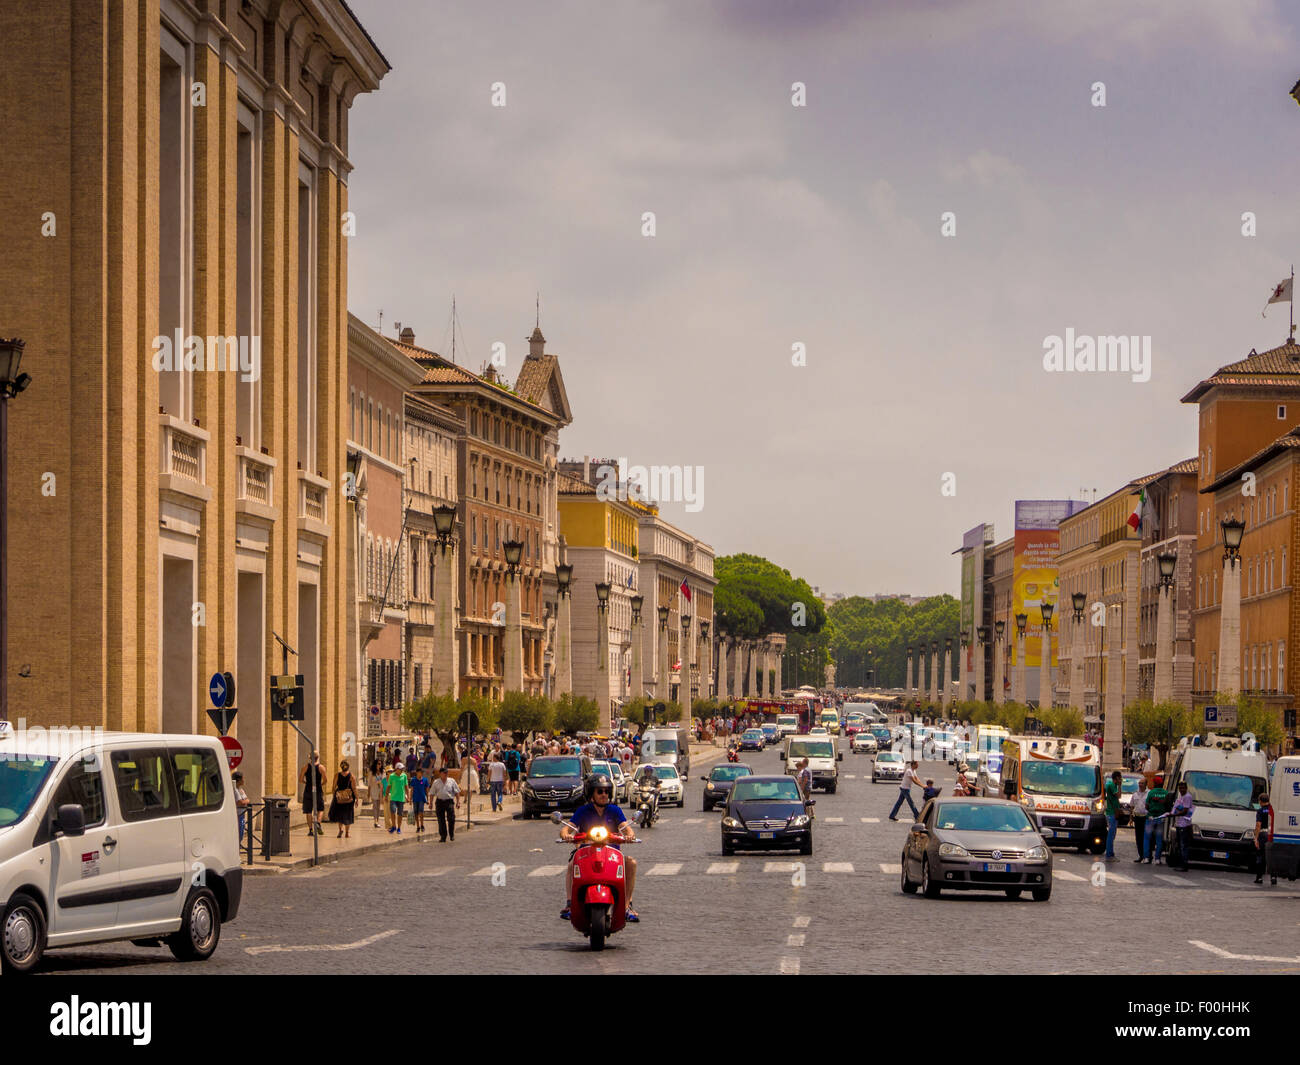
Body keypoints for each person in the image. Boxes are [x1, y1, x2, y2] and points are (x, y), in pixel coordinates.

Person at [560, 774, 639, 923]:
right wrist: (566, 835)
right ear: (591, 794)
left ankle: (627, 905)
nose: (604, 795)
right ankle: (570, 904)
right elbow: (566, 829)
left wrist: (629, 835)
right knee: (571, 865)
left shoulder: (615, 810)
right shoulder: (582, 811)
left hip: (611, 854)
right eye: (600, 791)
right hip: (586, 853)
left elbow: (626, 829)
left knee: (631, 863)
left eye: (607, 791)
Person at [1143, 773, 1171, 864]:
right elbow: (1168, 806)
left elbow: (1146, 806)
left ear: (1155, 784)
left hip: (1151, 818)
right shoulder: (1166, 793)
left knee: (1147, 838)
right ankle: (1157, 859)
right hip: (1161, 818)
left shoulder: (1151, 792)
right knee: (1159, 839)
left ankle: (1146, 858)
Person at [328, 759, 357, 839]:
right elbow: (354, 788)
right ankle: (347, 833)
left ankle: (340, 830)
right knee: (348, 815)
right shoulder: (351, 776)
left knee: (340, 814)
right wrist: (357, 798)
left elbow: (333, 787)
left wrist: (335, 795)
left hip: (339, 798)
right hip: (348, 798)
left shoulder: (337, 775)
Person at [1170, 781, 1195, 871]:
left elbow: (1185, 811)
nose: (1181, 790)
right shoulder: (1181, 797)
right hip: (1180, 824)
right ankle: (1181, 863)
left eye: (1183, 788)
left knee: (1183, 845)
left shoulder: (1187, 797)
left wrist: (1173, 815)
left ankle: (1184, 865)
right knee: (1180, 845)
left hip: (1184, 825)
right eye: (1180, 788)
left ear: (1186, 788)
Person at [300, 751, 326, 836]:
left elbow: (300, 779)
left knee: (308, 811)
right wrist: (319, 784)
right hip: (318, 790)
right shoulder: (321, 767)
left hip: (308, 790)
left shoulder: (306, 767)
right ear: (317, 757)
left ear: (310, 758)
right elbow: (325, 780)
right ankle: (318, 823)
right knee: (321, 808)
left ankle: (310, 830)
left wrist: (307, 783)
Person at [432, 766, 461, 842]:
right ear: (440, 774)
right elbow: (432, 793)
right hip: (440, 802)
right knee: (441, 820)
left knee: (451, 819)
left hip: (449, 802)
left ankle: (452, 834)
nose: (445, 774)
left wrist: (458, 802)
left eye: (446, 773)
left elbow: (457, 792)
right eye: (444, 773)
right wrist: (430, 803)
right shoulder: (436, 782)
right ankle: (443, 836)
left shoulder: (451, 781)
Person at [1254, 792, 1276, 885]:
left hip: (1263, 834)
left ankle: (1259, 878)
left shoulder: (1260, 811)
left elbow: (1258, 825)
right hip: (1272, 834)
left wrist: (1256, 838)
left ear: (1260, 801)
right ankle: (1274, 877)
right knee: (1272, 857)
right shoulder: (1273, 810)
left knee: (1260, 857)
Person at [385, 761, 409, 835]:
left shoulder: (404, 776)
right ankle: (393, 826)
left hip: (401, 798)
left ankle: (399, 828)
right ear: (397, 769)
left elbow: (406, 786)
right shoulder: (391, 776)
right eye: (401, 769)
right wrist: (386, 796)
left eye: (402, 769)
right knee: (392, 812)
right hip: (393, 798)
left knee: (400, 814)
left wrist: (408, 796)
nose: (402, 770)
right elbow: (388, 787)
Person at [1103, 770, 1122, 860]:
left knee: (1112, 834)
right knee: (1111, 834)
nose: (1121, 779)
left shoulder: (1111, 785)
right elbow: (1118, 795)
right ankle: (1109, 854)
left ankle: (1111, 853)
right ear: (1117, 778)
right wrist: (1120, 785)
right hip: (1111, 813)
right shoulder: (1111, 785)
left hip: (1113, 812)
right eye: (1120, 778)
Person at [1130, 777, 1149, 862]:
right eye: (1139, 783)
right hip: (1137, 818)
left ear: (1146, 784)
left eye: (1142, 783)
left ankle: (1147, 856)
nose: (1140, 785)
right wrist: (1131, 818)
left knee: (1146, 837)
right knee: (1138, 837)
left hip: (1146, 817)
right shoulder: (1135, 794)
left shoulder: (1149, 793)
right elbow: (1132, 806)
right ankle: (1141, 855)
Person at [410, 767, 430, 834]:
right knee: (416, 813)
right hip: (415, 798)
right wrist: (410, 799)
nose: (420, 774)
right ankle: (418, 826)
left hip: (422, 798)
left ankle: (422, 825)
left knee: (421, 812)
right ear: (417, 773)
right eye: (419, 772)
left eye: (421, 773)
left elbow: (427, 790)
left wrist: (427, 799)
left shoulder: (425, 780)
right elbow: (412, 790)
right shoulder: (413, 780)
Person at [233, 770, 250, 845]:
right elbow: (240, 802)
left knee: (241, 832)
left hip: (242, 814)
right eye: (243, 778)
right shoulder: (235, 790)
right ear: (239, 780)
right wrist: (246, 801)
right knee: (238, 833)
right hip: (237, 815)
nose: (244, 780)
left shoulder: (241, 790)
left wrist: (245, 801)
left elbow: (245, 800)